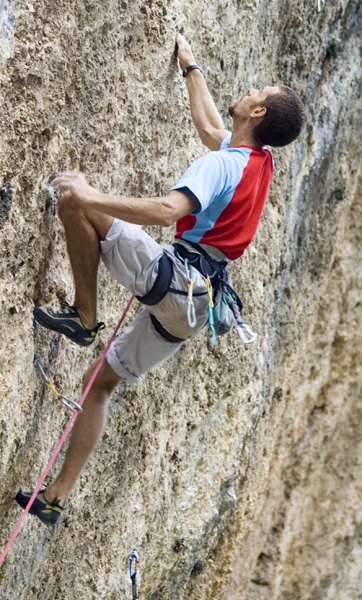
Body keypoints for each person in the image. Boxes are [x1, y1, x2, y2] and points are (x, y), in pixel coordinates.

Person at [15, 33, 307, 524]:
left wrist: (90, 195)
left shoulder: (223, 164)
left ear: (257, 114)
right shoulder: (257, 161)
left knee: (72, 204)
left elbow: (168, 209)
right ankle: (54, 498)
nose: (252, 88)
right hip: (196, 306)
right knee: (99, 384)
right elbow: (213, 125)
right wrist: (190, 69)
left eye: (259, 90)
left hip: (176, 279)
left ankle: (86, 317)